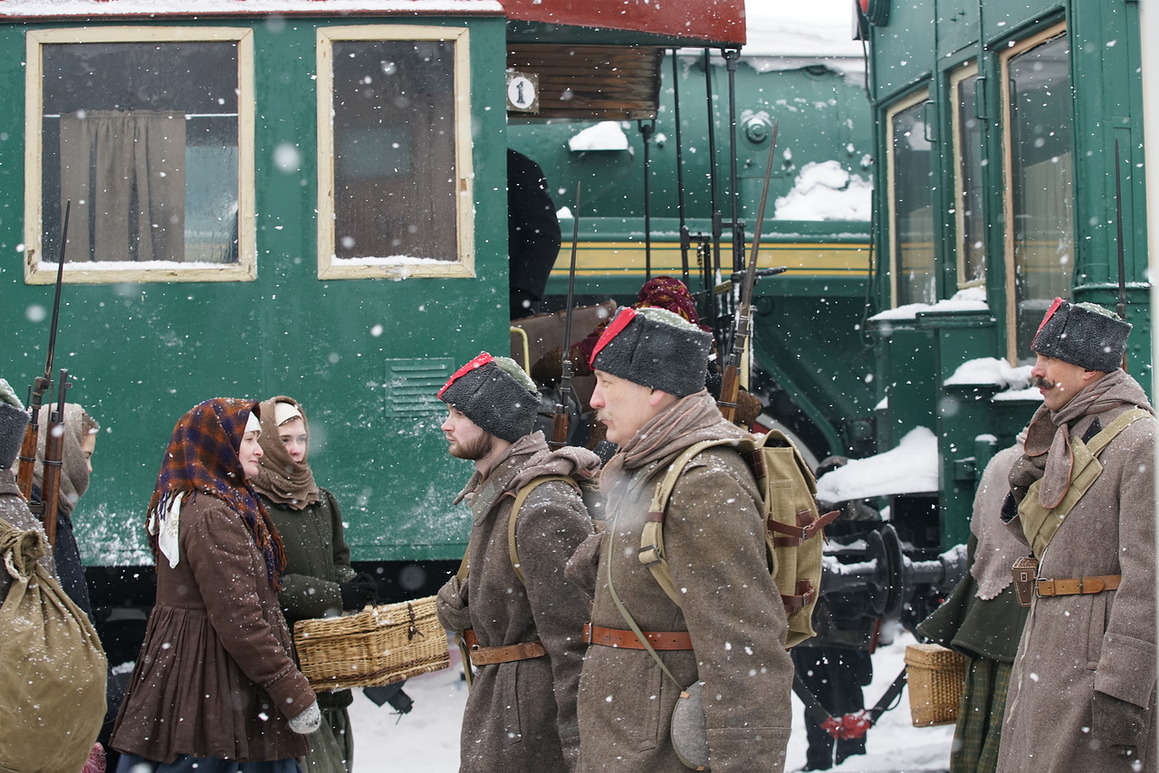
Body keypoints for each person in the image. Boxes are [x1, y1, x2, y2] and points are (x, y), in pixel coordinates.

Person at [571, 306, 793, 771]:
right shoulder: (649, 468)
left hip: (661, 755)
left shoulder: (701, 480)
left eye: (607, 383)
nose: (594, 400)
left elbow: (745, 650)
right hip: (633, 745)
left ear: (655, 389)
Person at [111, 398, 321, 772]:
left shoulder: (200, 502)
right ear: (219, 444)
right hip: (215, 690)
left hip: (200, 681)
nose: (260, 450)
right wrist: (293, 692)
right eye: (250, 440)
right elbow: (240, 621)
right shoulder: (213, 514)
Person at [997, 299, 1155, 772]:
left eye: (1048, 360)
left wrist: (1123, 688)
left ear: (1087, 370)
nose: (1035, 372)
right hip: (1052, 650)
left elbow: (1149, 580)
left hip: (1094, 665)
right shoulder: (1068, 430)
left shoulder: (1140, 442)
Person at [434, 353, 598, 772]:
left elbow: (576, 642)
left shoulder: (541, 506)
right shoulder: (501, 493)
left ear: (492, 420)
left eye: (457, 413)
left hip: (531, 729)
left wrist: (582, 750)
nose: (445, 424)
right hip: (507, 714)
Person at [249, 395, 377, 773]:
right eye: (285, 440)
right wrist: (336, 595)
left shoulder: (321, 501)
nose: (295, 449)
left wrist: (354, 584)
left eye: (301, 439)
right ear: (268, 443)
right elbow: (267, 585)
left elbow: (336, 561)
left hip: (330, 665)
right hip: (287, 665)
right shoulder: (254, 507)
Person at [916, 436, 1027, 773]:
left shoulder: (1001, 463)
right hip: (1029, 620)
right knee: (1016, 734)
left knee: (981, 739)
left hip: (989, 612)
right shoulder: (1062, 462)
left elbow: (975, 542)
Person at [508, 148, 562, 319]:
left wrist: (520, 293)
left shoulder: (518, 167)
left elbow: (546, 237)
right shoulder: (518, 166)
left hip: (507, 301)